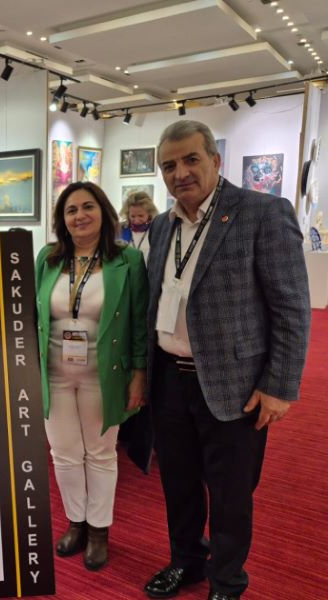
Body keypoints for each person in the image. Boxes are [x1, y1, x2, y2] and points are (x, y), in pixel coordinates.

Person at [142, 120, 310, 600]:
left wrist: (279, 386)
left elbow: (292, 307)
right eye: (169, 165)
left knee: (231, 492)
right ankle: (186, 562)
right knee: (178, 484)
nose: (180, 173)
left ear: (216, 161)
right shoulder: (161, 225)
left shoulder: (262, 212)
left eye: (191, 160)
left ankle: (227, 580)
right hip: (169, 380)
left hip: (235, 384)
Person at [36, 181, 148, 571]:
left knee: (100, 453)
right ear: (61, 219)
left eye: (88, 207)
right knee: (63, 454)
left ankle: (99, 530)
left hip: (104, 375)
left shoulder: (128, 260)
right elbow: (33, 317)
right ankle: (76, 522)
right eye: (71, 210)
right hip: (54, 374)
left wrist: (139, 373)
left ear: (103, 212)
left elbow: (138, 322)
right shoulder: (47, 259)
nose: (80, 216)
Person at [119, 190, 158, 263]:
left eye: (141, 216)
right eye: (133, 216)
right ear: (127, 214)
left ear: (149, 214)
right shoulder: (120, 230)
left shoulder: (156, 230)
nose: (136, 220)